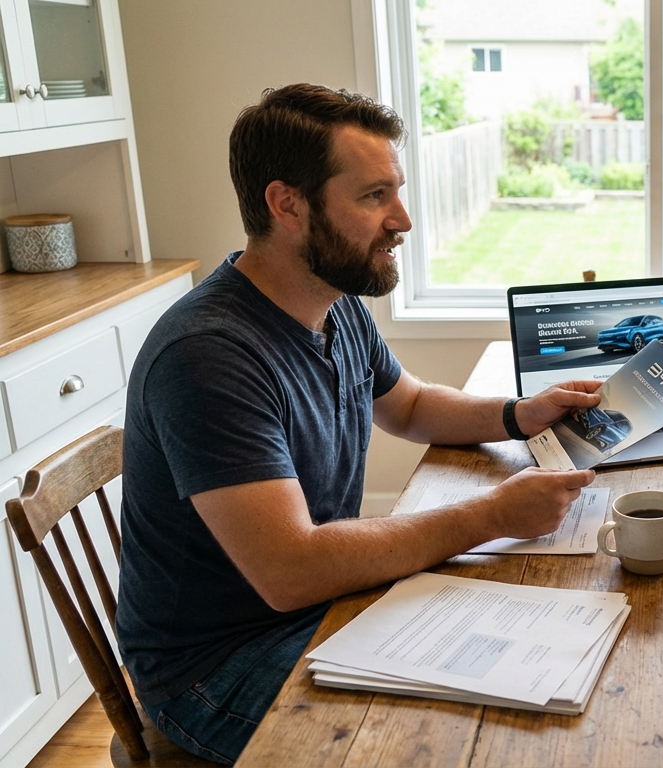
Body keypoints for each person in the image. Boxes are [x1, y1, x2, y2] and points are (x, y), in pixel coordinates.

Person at [115, 84, 600, 764]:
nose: (402, 220)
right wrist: (487, 515)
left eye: (396, 193)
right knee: (458, 741)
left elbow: (407, 404)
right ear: (287, 203)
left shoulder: (335, 303)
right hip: (215, 669)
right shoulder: (207, 355)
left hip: (319, 608)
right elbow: (288, 569)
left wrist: (520, 415)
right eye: (374, 196)